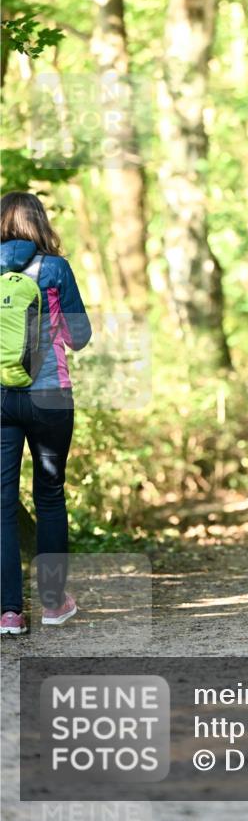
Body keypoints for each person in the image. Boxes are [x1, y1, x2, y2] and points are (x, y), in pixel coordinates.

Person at [1, 192, 91, 635]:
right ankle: (54, 604)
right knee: (50, 495)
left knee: (1, 504)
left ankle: (9, 612)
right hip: (50, 393)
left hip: (0, 398)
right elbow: (80, 337)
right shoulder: (54, 267)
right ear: (40, 222)